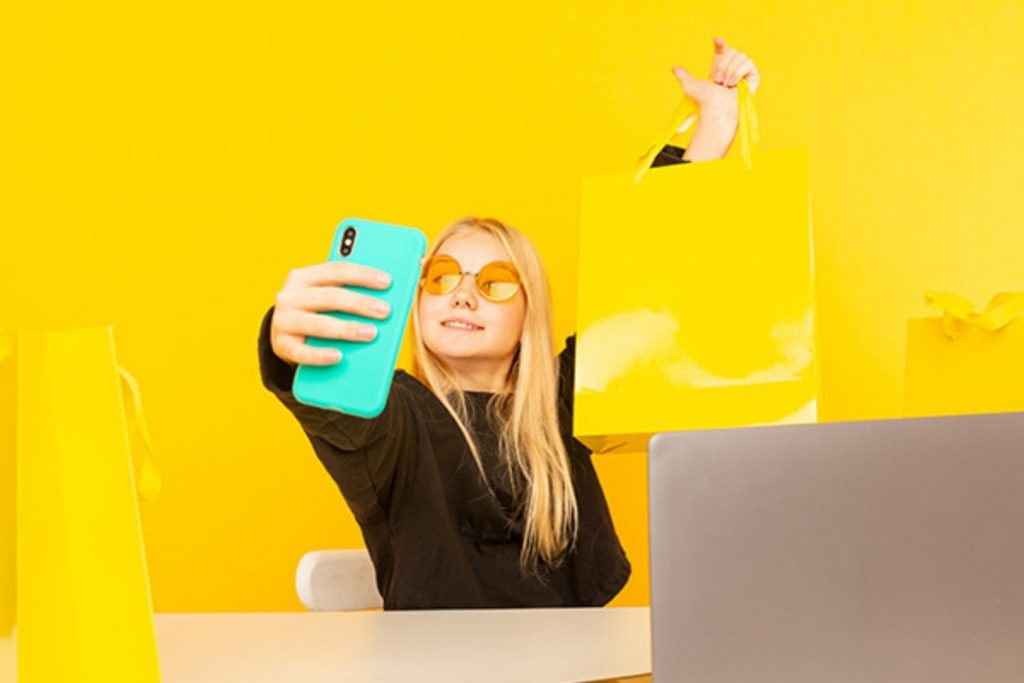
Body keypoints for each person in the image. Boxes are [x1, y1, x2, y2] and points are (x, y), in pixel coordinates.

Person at [258, 38, 760, 610]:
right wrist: (295, 340)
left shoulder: (565, 399)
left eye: (494, 282)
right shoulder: (396, 416)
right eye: (443, 276)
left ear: (529, 315)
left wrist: (713, 129)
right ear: (416, 302)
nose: (464, 295)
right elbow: (340, 413)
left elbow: (650, 293)